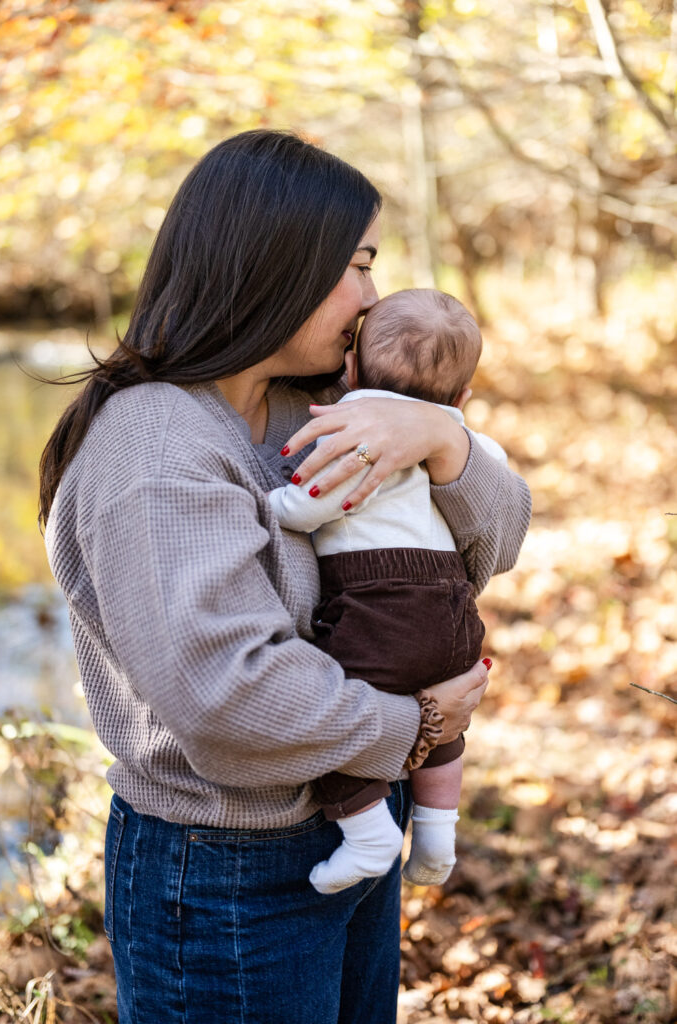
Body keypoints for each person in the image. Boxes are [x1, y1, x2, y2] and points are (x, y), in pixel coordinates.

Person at [39, 130, 531, 1024]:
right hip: (228, 873)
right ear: (272, 265)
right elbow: (226, 695)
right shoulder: (158, 446)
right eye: (355, 263)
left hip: (348, 826)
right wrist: (413, 727)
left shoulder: (320, 410)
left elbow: (485, 551)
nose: (371, 297)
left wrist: (444, 440)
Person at [268, 288, 513, 896]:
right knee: (447, 729)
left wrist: (270, 504)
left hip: (378, 604)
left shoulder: (351, 427)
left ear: (350, 370)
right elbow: (501, 515)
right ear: (463, 397)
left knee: (334, 707)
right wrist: (451, 437)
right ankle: (436, 833)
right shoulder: (468, 442)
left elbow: (307, 505)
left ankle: (369, 831)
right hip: (454, 609)